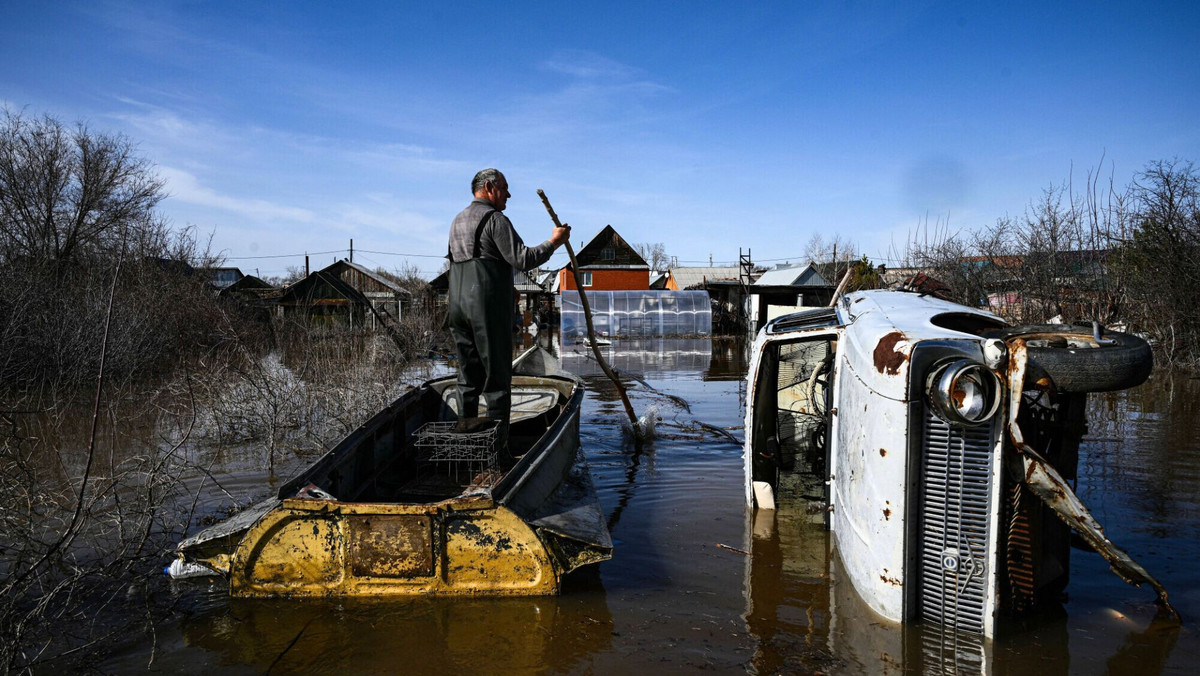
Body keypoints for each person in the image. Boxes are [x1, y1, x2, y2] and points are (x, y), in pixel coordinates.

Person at [446, 168, 570, 451]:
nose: (509, 194)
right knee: (497, 379)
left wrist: (504, 286)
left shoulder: (457, 221)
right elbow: (523, 259)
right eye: (505, 188)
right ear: (489, 187)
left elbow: (471, 263)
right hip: (485, 310)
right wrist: (555, 241)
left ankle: (466, 446)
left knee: (467, 375)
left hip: (457, 307)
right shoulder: (495, 219)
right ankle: (495, 451)